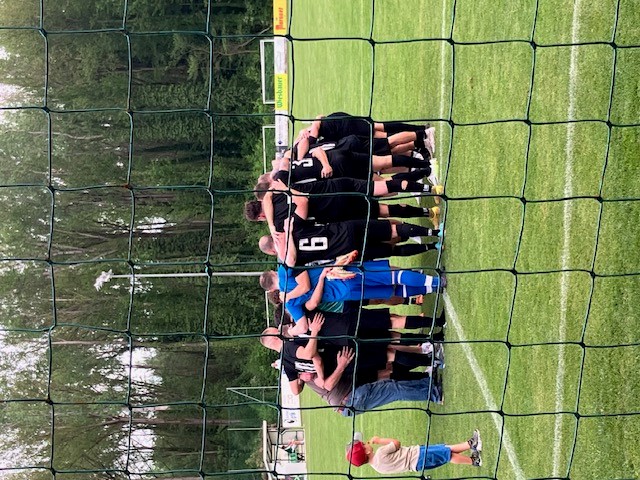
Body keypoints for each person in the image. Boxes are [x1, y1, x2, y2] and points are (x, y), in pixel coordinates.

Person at [260, 260, 444, 334]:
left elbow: (306, 318)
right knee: (392, 276)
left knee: (390, 291)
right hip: (342, 274)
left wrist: (289, 333)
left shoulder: (290, 304)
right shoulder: (284, 270)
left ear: (271, 290)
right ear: (272, 273)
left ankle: (430, 289)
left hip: (344, 295)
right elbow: (304, 280)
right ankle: (436, 282)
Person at [298, 348, 443, 414]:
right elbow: (317, 383)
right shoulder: (305, 373)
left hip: (350, 399)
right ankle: (435, 395)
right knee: (394, 390)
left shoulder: (304, 368)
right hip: (350, 400)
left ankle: (429, 384)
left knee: (392, 385)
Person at [259, 217, 442, 268]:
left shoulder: (288, 258)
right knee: (392, 230)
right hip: (346, 229)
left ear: (272, 252)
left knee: (392, 250)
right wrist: (288, 233)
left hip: (347, 250)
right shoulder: (291, 227)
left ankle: (433, 246)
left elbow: (290, 261)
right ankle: (435, 233)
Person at [345, 430, 483, 472]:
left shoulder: (377, 468)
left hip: (417, 463)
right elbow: (396, 443)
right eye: (364, 445)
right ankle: (474, 460)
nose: (365, 443)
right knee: (447, 455)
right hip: (418, 456)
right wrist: (380, 440)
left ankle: (471, 445)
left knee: (444, 449)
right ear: (367, 452)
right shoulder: (380, 453)